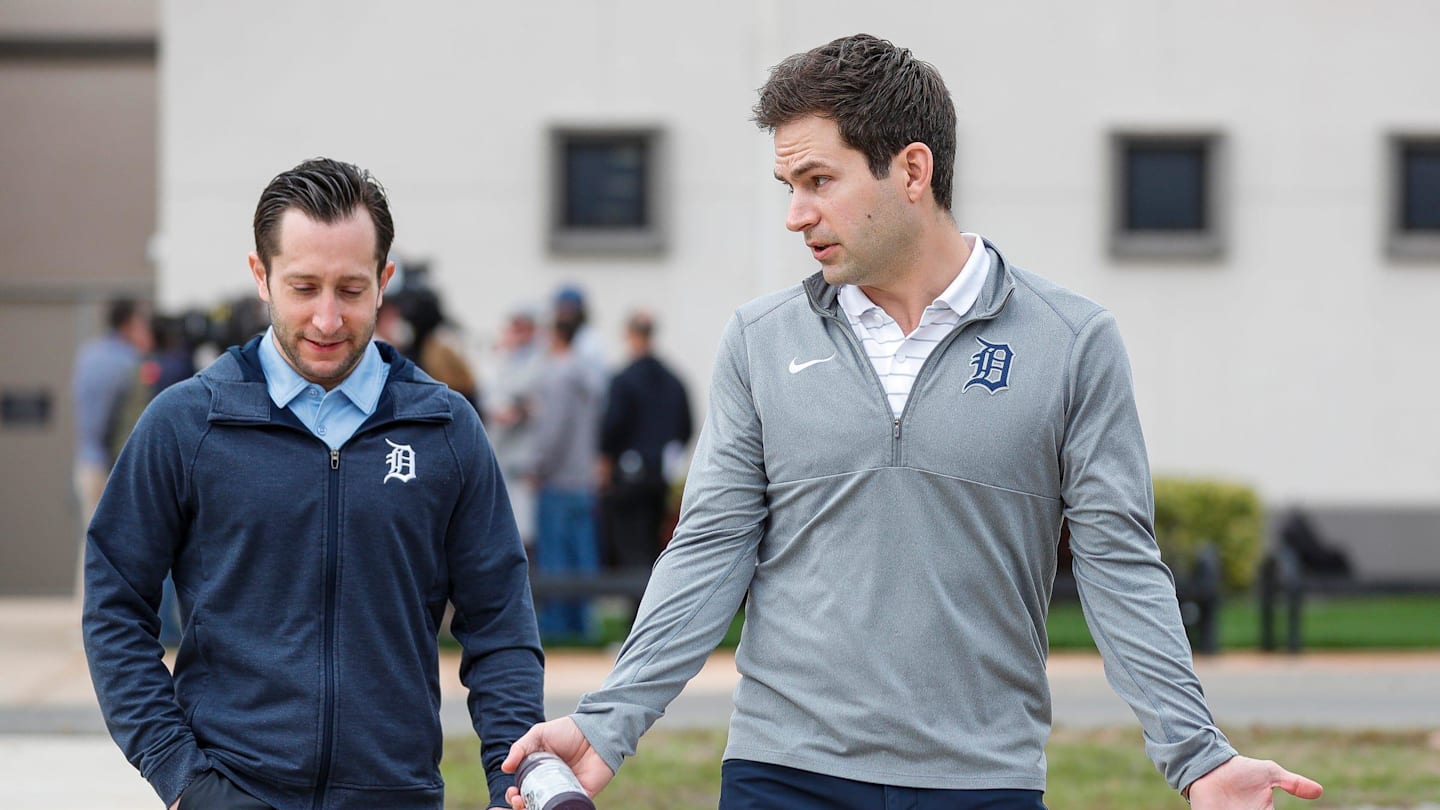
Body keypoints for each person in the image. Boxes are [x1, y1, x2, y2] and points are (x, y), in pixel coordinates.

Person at [503, 34, 1323, 810]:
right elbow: (711, 545)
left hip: (984, 778)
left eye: (819, 181)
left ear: (912, 170)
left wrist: (1198, 753)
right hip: (783, 770)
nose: (796, 214)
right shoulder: (761, 340)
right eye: (787, 187)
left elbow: (1120, 564)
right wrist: (611, 718)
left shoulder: (1071, 342)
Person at [82, 157, 543, 810]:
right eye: (303, 288)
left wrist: (514, 781)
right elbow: (114, 609)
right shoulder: (187, 425)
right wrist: (183, 779)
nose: (327, 319)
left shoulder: (446, 429)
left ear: (384, 282)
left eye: (351, 290)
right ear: (260, 276)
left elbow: (500, 625)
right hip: (229, 793)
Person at [526, 315, 604, 643]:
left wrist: (537, 466)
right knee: (583, 553)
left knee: (556, 555)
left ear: (556, 335)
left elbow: (553, 430)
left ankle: (558, 624)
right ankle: (585, 623)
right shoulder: (589, 376)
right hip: (583, 476)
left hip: (558, 478)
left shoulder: (558, 376)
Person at [598, 310, 692, 576]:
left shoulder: (624, 380)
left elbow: (612, 427)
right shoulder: (673, 380)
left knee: (630, 549)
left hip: (628, 477)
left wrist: (605, 463)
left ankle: (638, 613)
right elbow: (685, 427)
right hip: (659, 476)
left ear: (630, 335)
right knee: (653, 546)